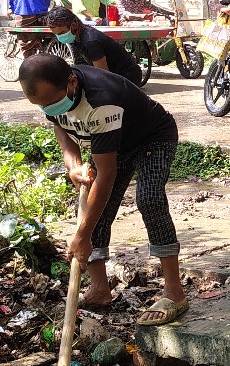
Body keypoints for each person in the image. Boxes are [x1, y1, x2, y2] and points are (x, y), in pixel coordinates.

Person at [17, 54, 188, 326]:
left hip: (151, 139)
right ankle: (99, 289)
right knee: (90, 210)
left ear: (72, 82)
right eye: (42, 106)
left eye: (51, 103)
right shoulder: (52, 93)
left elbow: (107, 174)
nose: (49, 109)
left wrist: (82, 236)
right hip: (111, 142)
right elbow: (59, 124)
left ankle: (175, 293)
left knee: (149, 199)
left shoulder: (101, 99)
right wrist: (72, 164)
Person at [44, 7, 143, 85]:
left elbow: (103, 76)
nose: (60, 37)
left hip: (126, 78)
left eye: (61, 33)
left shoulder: (90, 41)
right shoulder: (77, 35)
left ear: (73, 25)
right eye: (56, 34)